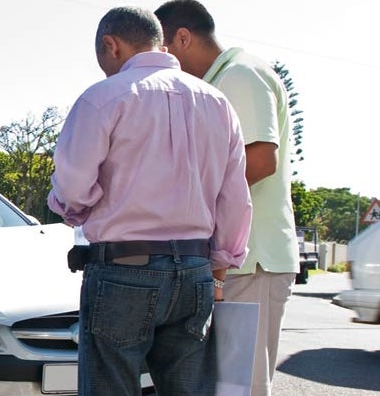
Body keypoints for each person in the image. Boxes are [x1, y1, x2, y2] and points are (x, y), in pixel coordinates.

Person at [47, 6, 252, 395]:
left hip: (123, 268)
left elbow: (72, 190)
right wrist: (220, 265)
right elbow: (235, 198)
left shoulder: (102, 98)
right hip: (195, 271)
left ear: (111, 45)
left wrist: (73, 209)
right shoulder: (217, 103)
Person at [155, 2, 300, 394]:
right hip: (235, 262)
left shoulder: (239, 75)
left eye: (161, 53)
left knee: (242, 386)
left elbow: (259, 161)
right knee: (225, 385)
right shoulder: (217, 82)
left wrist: (190, 208)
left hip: (254, 262)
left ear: (182, 39)